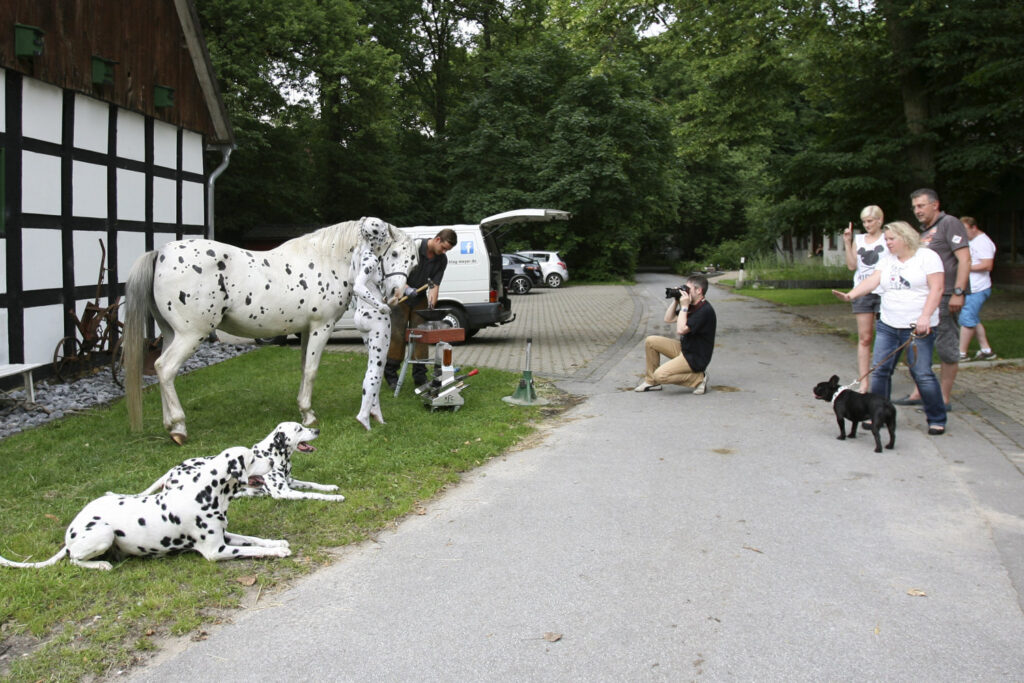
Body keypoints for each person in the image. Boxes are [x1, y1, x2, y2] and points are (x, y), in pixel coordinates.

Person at [832, 221, 947, 435]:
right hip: (888, 324)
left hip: (917, 327)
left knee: (921, 373)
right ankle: (877, 414)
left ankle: (936, 417)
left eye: (891, 239)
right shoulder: (887, 260)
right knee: (881, 371)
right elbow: (873, 281)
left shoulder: (927, 257)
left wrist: (925, 316)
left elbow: (937, 288)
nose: (888, 243)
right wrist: (851, 295)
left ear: (906, 237)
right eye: (886, 240)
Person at [892, 188, 970, 409]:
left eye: (921, 206)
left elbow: (964, 259)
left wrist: (958, 292)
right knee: (918, 345)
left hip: (945, 296)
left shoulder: (949, 223)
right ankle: (919, 392)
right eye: (914, 207)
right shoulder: (925, 230)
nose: (917, 210)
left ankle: (943, 398)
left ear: (935, 204)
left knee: (946, 346)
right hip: (923, 298)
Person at [383, 229, 457, 388]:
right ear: (437, 239)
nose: (444, 252)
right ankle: (391, 374)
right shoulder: (413, 248)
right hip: (400, 295)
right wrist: (406, 289)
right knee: (397, 335)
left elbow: (435, 284)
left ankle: (419, 375)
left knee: (421, 335)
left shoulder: (441, 260)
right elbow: (396, 273)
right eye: (443, 248)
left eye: (447, 250)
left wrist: (432, 302)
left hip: (420, 298)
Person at [635, 274, 716, 394]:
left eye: (688, 289)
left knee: (660, 375)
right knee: (651, 341)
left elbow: (681, 330)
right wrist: (676, 301)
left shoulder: (704, 311)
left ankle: (698, 379)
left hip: (695, 358)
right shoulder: (692, 305)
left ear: (699, 291)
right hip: (685, 349)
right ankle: (652, 382)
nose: (686, 292)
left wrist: (684, 307)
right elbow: (668, 319)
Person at [841, 205, 889, 393]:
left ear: (880, 220)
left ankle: (882, 377)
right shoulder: (859, 239)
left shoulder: (888, 239)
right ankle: (864, 382)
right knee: (865, 337)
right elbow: (852, 266)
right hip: (862, 291)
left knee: (886, 336)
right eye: (864, 222)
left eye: (870, 221)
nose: (867, 225)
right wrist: (847, 242)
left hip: (884, 291)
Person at [958, 216, 997, 361]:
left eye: (965, 230)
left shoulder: (983, 242)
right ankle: (986, 350)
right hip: (971, 287)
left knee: (967, 318)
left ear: (974, 228)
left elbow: (987, 265)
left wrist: (965, 267)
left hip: (979, 288)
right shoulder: (972, 241)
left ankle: (961, 353)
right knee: (973, 318)